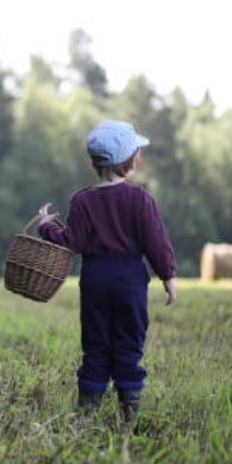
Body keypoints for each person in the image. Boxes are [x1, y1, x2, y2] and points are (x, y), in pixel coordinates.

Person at [37, 119, 177, 423]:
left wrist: (46, 226)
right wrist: (168, 276)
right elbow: (156, 242)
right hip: (130, 281)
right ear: (131, 162)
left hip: (95, 280)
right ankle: (130, 413)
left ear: (93, 163)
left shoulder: (82, 200)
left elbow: (71, 242)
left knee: (96, 344)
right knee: (129, 343)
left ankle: (86, 413)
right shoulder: (141, 199)